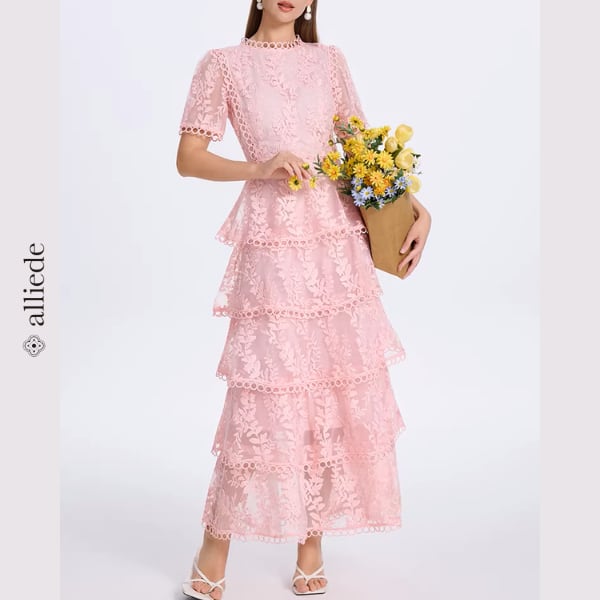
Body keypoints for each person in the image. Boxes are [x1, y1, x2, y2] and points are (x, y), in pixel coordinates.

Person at [176, 1, 432, 598]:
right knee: (264, 390)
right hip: (272, 240)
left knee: (329, 385)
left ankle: (311, 544)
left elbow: (363, 155)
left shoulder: (330, 60)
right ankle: (215, 543)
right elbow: (188, 158)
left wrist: (420, 209)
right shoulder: (223, 64)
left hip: (336, 240)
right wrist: (260, 167)